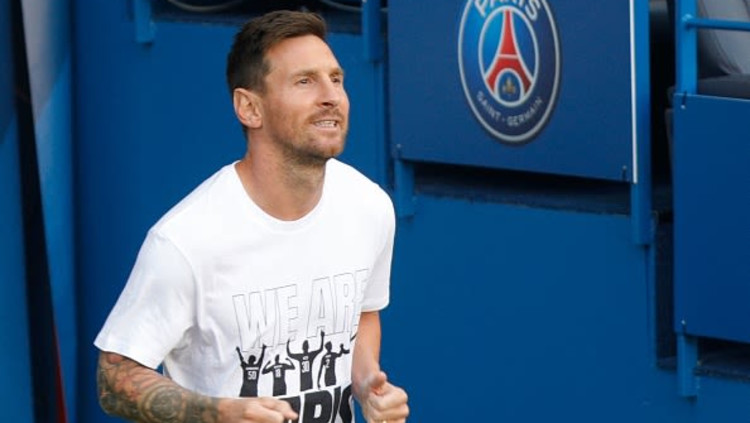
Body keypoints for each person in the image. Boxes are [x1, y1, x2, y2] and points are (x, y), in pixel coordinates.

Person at [94, 10, 409, 423]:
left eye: (336, 79)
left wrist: (366, 383)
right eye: (304, 81)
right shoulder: (185, 240)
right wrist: (219, 412)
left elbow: (362, 314)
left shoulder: (369, 207)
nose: (331, 96)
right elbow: (115, 377)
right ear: (249, 108)